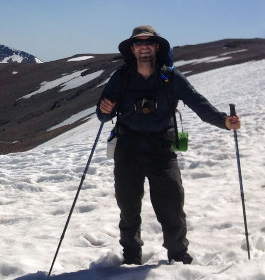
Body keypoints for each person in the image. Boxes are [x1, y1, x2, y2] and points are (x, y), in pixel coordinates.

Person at [95, 25, 242, 265]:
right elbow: (102, 113)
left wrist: (225, 122)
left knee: (172, 207)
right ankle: (131, 258)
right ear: (132, 48)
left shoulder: (170, 77)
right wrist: (103, 110)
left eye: (149, 42)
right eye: (139, 43)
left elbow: (199, 104)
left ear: (157, 47)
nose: (144, 46)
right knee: (128, 208)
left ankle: (179, 257)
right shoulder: (121, 78)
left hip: (161, 151)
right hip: (128, 150)